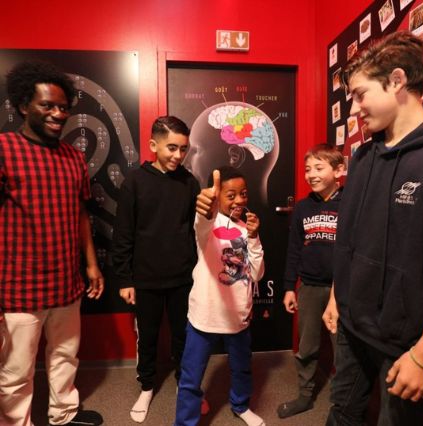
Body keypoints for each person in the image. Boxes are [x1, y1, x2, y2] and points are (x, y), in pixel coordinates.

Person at [322, 31, 423, 425]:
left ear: (397, 81)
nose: (355, 107)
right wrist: (336, 295)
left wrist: (422, 353)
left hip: (402, 346)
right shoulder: (362, 157)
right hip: (351, 325)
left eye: (361, 94)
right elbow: (348, 239)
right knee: (341, 413)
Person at [0, 61, 104, 426]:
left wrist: (91, 265)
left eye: (63, 107)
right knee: (15, 373)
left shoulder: (74, 157)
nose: (58, 113)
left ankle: (64, 415)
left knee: (65, 358)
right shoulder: (3, 149)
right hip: (16, 289)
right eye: (48, 105)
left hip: (66, 284)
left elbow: (80, 214)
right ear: (24, 105)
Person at [110, 116, 201, 423]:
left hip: (183, 276)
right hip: (145, 277)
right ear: (153, 145)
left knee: (183, 336)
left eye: (183, 149)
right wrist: (124, 278)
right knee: (146, 336)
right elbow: (123, 233)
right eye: (171, 147)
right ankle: (147, 386)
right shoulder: (135, 181)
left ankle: (183, 385)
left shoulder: (190, 182)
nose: (178, 155)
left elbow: (196, 231)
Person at [174, 167, 265, 426]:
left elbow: (257, 274)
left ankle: (240, 405)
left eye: (243, 194)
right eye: (231, 195)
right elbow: (202, 220)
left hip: (238, 314)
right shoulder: (208, 223)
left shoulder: (246, 227)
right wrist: (206, 208)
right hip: (205, 314)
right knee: (191, 376)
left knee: (242, 368)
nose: (239, 200)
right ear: (218, 197)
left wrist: (254, 236)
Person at [278, 145, 345, 418]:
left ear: (338, 170)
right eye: (308, 169)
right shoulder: (304, 208)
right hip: (308, 287)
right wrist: (288, 288)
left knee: (342, 347)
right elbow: (294, 249)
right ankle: (305, 396)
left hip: (340, 291)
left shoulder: (350, 204)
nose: (311, 175)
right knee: (307, 346)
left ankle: (343, 403)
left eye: (319, 168)